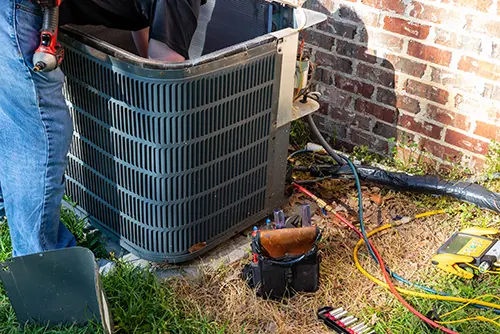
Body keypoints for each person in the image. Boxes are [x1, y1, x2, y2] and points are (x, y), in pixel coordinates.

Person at [0, 0, 203, 257]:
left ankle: (9, 208)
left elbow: (146, 28)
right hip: (17, 9)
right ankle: (47, 266)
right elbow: (166, 65)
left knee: (14, 116)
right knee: (41, 133)